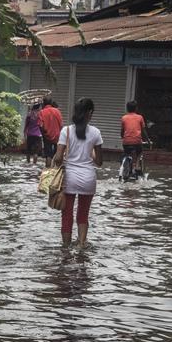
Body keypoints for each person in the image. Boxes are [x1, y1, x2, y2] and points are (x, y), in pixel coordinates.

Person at [52, 97, 103, 249]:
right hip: (88, 179)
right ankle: (81, 244)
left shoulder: (65, 131)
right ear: (90, 113)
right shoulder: (96, 133)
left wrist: (57, 158)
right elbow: (99, 162)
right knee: (83, 214)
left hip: (70, 179)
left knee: (66, 214)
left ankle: (66, 247)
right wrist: (91, 153)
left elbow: (59, 158)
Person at [121, 100, 149, 175]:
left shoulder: (124, 118)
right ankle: (137, 166)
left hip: (126, 141)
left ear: (127, 109)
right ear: (136, 108)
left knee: (127, 153)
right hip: (137, 141)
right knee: (139, 153)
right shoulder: (140, 117)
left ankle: (127, 167)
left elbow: (122, 131)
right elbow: (143, 131)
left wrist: (122, 137)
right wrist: (148, 140)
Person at [39, 96, 63, 168]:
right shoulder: (57, 111)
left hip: (47, 136)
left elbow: (41, 125)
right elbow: (61, 124)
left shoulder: (42, 112)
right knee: (57, 154)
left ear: (44, 103)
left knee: (48, 155)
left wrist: (43, 133)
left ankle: (48, 171)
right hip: (58, 136)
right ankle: (56, 170)